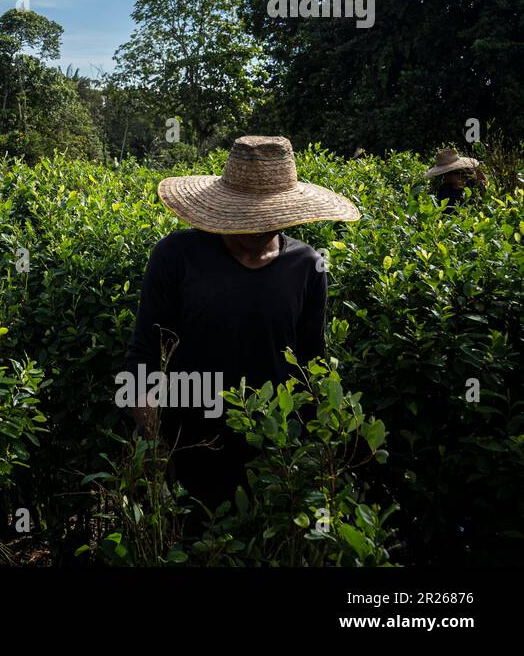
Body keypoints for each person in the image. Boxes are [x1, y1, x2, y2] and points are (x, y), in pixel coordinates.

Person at [123, 135, 360, 512]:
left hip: (273, 453)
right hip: (190, 445)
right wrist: (151, 442)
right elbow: (145, 352)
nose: (257, 228)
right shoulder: (177, 255)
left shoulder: (307, 266)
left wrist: (313, 456)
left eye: (269, 217)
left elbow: (310, 362)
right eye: (247, 215)